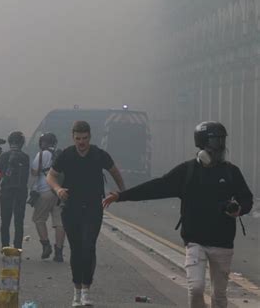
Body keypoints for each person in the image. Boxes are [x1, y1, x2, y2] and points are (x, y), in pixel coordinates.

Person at [103, 121, 253, 308]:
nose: (220, 146)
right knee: (196, 288)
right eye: (215, 141)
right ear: (202, 144)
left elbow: (247, 198)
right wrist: (121, 196)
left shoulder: (231, 172)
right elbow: (156, 187)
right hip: (195, 241)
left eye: (222, 141)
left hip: (222, 243)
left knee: (219, 296)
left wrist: (239, 209)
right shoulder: (188, 171)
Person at [46, 121, 126, 306]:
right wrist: (58, 190)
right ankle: (76, 291)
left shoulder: (99, 155)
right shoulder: (66, 155)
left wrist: (122, 193)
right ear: (73, 138)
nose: (81, 142)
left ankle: (86, 291)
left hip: (93, 208)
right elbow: (50, 176)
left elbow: (115, 172)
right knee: (76, 249)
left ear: (90, 137)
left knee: (88, 246)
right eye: (78, 139)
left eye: (84, 138)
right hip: (71, 207)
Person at [30, 132, 65, 262]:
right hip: (60, 192)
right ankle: (59, 252)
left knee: (39, 219)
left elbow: (34, 171)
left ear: (42, 142)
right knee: (60, 223)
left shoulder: (41, 154)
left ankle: (46, 245)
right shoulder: (61, 154)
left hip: (44, 191)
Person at [0, 131, 30, 250]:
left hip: (6, 191)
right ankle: (17, 248)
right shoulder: (25, 157)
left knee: (5, 221)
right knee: (19, 221)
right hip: (21, 192)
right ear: (22, 143)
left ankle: (5, 247)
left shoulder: (3, 156)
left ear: (9, 142)